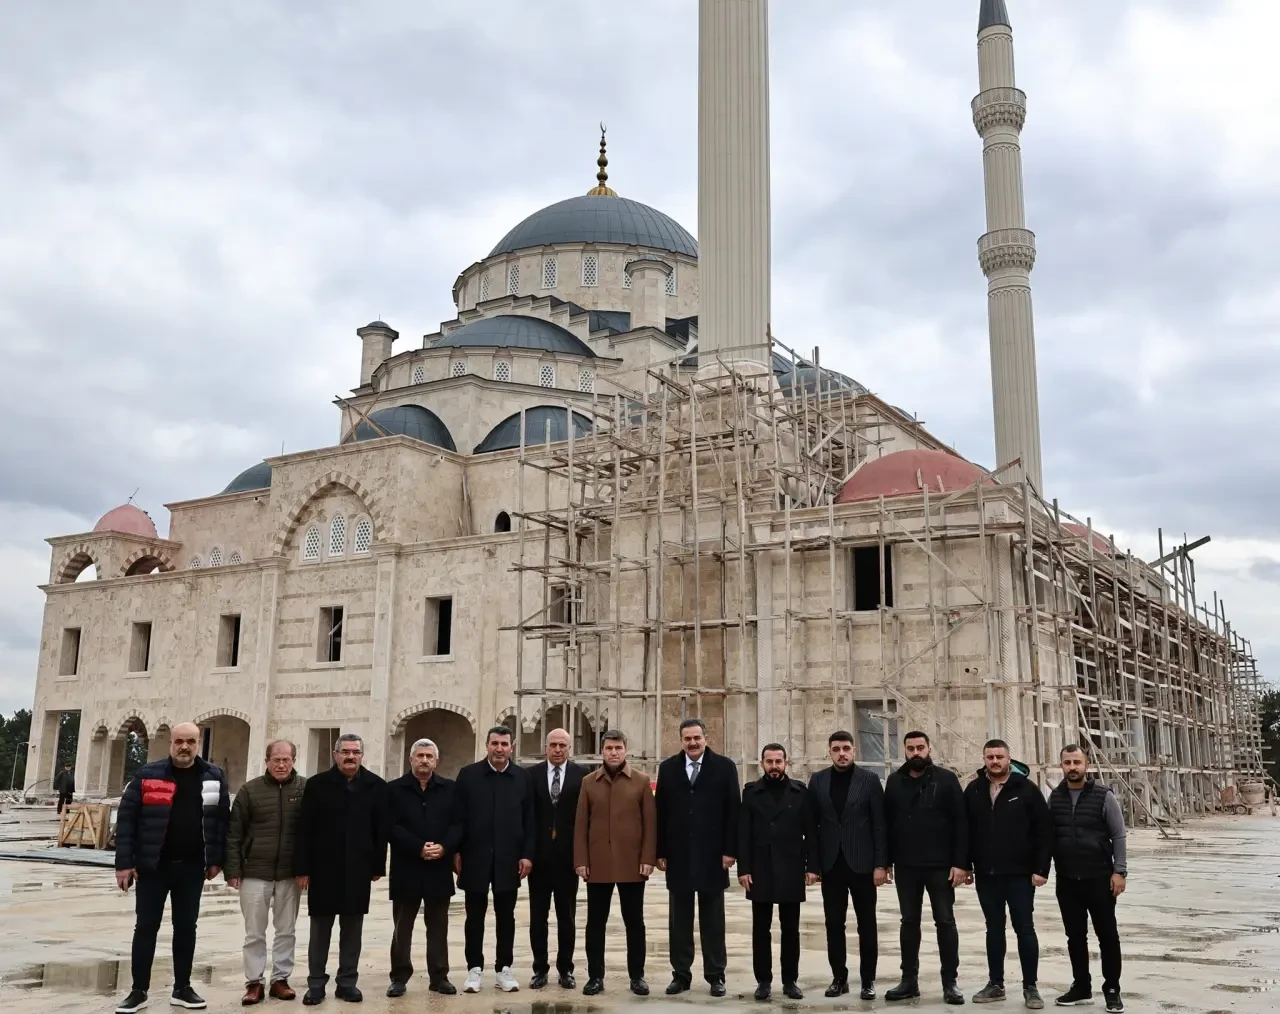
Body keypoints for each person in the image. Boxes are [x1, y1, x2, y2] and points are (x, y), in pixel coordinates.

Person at [113, 721, 230, 1014]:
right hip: (153, 868)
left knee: (186, 928)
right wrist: (124, 864)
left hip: (192, 869)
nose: (184, 747)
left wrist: (216, 860)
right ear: (171, 744)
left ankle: (182, 988)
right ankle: (138, 991)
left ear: (198, 743)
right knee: (146, 928)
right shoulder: (147, 775)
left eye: (190, 741)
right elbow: (127, 821)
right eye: (179, 741)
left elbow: (221, 823)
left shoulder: (213, 777)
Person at [295, 733, 389, 1006]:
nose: (350, 756)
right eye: (345, 752)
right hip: (323, 869)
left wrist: (377, 866)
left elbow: (380, 830)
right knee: (320, 930)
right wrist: (302, 868)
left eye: (355, 752)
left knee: (352, 929)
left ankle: (347, 982)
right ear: (335, 754)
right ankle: (315, 984)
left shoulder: (375, 786)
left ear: (362, 755)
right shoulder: (317, 785)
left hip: (358, 869)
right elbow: (304, 830)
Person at [654, 717, 741, 997]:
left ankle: (716, 974)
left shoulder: (724, 768)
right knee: (679, 920)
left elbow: (733, 812)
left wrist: (730, 850)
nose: (692, 743)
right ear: (681, 740)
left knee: (712, 920)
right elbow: (661, 814)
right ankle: (681, 975)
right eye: (687, 738)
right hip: (678, 856)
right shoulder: (668, 769)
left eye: (697, 738)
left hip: (712, 856)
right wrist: (660, 852)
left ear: (706, 738)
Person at [964, 739, 1052, 1010]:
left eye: (999, 756)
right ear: (984, 759)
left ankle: (1030, 987)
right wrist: (966, 865)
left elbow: (1043, 831)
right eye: (990, 756)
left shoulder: (1026, 789)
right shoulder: (975, 789)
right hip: (987, 875)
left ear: (1009, 758)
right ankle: (996, 984)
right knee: (993, 929)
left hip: (1020, 875)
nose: (994, 761)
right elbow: (965, 831)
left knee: (1024, 929)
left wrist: (1041, 869)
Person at [883, 730, 967, 1006]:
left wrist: (961, 863)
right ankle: (909, 981)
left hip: (940, 865)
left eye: (921, 747)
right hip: (907, 865)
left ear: (929, 748)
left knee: (945, 922)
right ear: (904, 751)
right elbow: (886, 825)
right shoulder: (894, 782)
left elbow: (960, 824)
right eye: (911, 748)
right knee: (909, 923)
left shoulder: (946, 779)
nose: (916, 752)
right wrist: (885, 862)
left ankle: (950, 982)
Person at [450, 725, 536, 994]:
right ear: (487, 745)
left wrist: (527, 855)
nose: (499, 749)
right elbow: (457, 818)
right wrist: (456, 851)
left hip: (509, 859)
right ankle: (474, 969)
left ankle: (503, 969)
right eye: (495, 743)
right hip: (474, 857)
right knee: (474, 915)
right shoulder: (469, 775)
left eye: (504, 744)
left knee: (506, 916)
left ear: (512, 747)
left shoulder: (522, 778)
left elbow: (530, 820)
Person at [574, 729, 656, 997]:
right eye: (609, 748)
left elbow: (649, 824)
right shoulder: (589, 782)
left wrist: (647, 858)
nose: (613, 753)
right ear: (602, 751)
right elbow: (580, 825)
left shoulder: (641, 781)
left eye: (618, 748)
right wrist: (581, 860)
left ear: (625, 750)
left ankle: (637, 976)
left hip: (632, 865)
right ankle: (595, 977)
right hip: (597, 864)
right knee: (595, 923)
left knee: (635, 922)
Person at [807, 729, 888, 1001]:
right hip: (832, 866)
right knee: (834, 924)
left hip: (863, 865)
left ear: (854, 751)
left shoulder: (869, 780)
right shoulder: (817, 781)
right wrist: (813, 865)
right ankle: (839, 978)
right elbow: (813, 827)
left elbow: (879, 825)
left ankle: (868, 981)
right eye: (836, 749)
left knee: (867, 924)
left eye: (846, 748)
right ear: (829, 752)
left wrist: (881, 865)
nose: (841, 753)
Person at [226, 740, 307, 1005]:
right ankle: (254, 983)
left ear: (294, 760)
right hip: (254, 873)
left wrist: (306, 869)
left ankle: (280, 980)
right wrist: (233, 869)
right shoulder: (250, 791)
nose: (281, 764)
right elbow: (234, 834)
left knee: (286, 930)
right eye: (276, 760)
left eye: (286, 759)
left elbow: (313, 833)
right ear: (267, 761)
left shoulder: (305, 789)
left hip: (289, 874)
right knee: (254, 932)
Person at [737, 743, 818, 1002]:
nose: (774, 766)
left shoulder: (799, 793)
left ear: (786, 763)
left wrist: (812, 867)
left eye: (778, 761)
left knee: (791, 929)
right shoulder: (751, 793)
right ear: (762, 764)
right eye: (769, 762)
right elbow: (744, 834)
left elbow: (812, 833)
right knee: (761, 929)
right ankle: (763, 981)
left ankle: (790, 980)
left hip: (791, 866)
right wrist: (744, 868)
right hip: (760, 868)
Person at [1049, 745, 1126, 1013]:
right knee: (1075, 937)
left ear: (1087, 765)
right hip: (1067, 880)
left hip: (1099, 878)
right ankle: (1081, 986)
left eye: (1077, 762)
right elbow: (1049, 837)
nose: (1072, 767)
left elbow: (1118, 835)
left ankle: (1113, 989)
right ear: (1061, 765)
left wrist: (1120, 871)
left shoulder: (1104, 796)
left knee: (1107, 935)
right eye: (1067, 762)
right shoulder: (1055, 798)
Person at [386, 738, 457, 998]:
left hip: (439, 867)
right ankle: (399, 977)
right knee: (402, 927)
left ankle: (440, 976)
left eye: (429, 756)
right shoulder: (394, 790)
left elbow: (458, 824)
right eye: (420, 755)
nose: (424, 760)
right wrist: (418, 846)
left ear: (436, 761)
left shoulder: (449, 789)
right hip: (407, 866)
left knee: (438, 926)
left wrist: (445, 847)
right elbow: (390, 826)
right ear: (411, 759)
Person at [526, 728, 586, 989]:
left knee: (566, 917)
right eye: (553, 745)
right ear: (546, 747)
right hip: (539, 860)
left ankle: (566, 969)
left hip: (567, 859)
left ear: (569, 748)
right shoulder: (531, 775)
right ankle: (539, 969)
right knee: (538, 916)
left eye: (563, 745)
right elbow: (527, 818)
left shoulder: (582, 776)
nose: (558, 749)